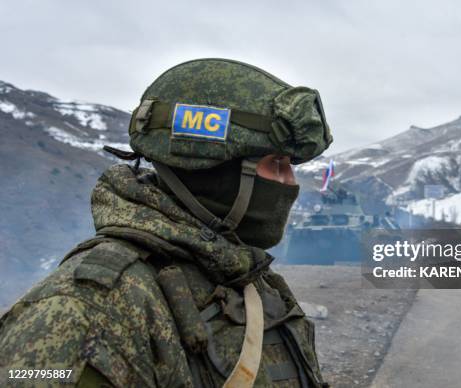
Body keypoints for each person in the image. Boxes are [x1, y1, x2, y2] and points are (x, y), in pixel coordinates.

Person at [0, 58, 333, 387]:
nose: (289, 183)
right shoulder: (82, 311)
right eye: (276, 163)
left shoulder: (247, 282)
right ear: (213, 167)